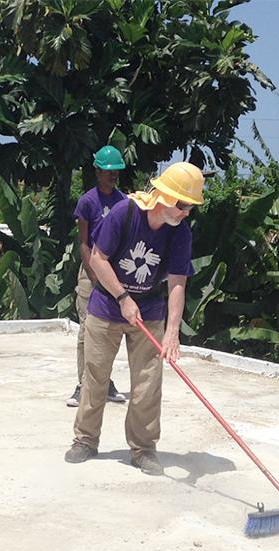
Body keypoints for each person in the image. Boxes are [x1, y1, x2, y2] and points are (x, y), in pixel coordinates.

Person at [64, 162, 205, 475]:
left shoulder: (180, 231)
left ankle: (143, 449)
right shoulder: (124, 213)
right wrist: (123, 297)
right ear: (165, 197)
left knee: (147, 385)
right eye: (183, 205)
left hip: (150, 310)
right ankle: (85, 440)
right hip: (106, 307)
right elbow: (98, 259)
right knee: (95, 378)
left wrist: (172, 333)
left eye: (190, 207)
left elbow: (178, 282)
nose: (186, 213)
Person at [68, 145, 128, 408]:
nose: (113, 175)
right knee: (87, 329)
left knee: (109, 331)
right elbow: (83, 242)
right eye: (108, 171)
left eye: (116, 171)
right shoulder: (87, 202)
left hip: (113, 274)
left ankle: (106, 381)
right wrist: (93, 276)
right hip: (91, 274)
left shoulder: (124, 202)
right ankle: (84, 384)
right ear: (97, 171)